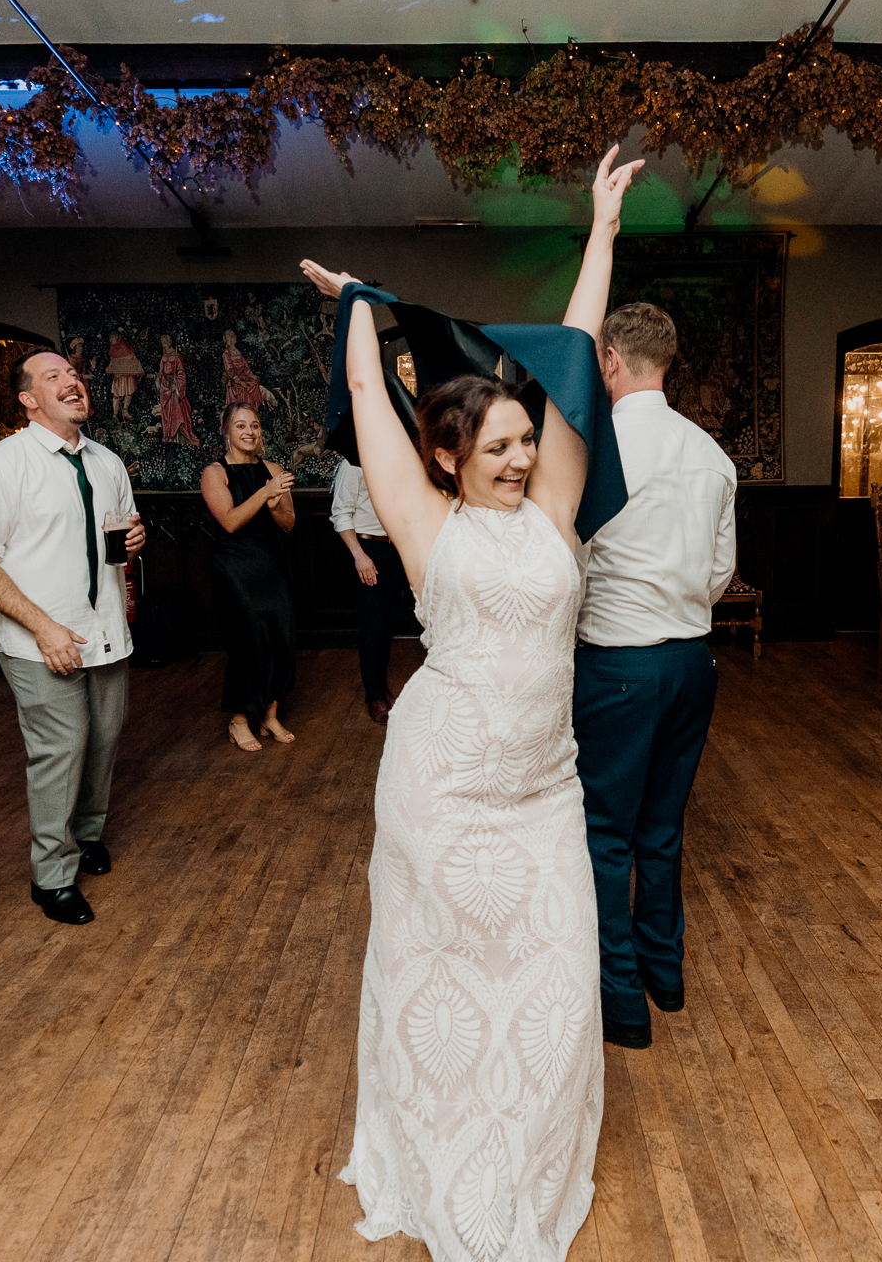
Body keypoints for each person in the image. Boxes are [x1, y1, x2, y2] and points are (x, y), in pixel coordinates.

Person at [299, 141, 640, 1262]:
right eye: (497, 444)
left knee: (553, 981)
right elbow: (364, 389)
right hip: (441, 790)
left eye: (527, 440)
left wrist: (600, 233)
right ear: (447, 454)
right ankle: (439, 1146)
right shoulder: (423, 522)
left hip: (542, 791)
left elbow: (579, 356)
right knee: (434, 982)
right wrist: (357, 304)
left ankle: (524, 1157)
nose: (521, 454)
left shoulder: (551, 512)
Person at [574, 301, 738, 1049]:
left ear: (609, 359)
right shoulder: (711, 453)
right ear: (664, 362)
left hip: (618, 665)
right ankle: (664, 976)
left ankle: (623, 1003)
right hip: (693, 662)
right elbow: (720, 574)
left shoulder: (590, 449)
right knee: (662, 831)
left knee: (605, 835)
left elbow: (567, 565)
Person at [0, 349, 145, 926]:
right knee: (60, 749)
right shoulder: (0, 465)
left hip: (104, 631)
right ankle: (53, 876)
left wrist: (133, 541)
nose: (73, 382)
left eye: (74, 374)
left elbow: (122, 532)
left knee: (104, 738)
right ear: (29, 399)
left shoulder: (108, 462)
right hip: (39, 638)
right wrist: (43, 627)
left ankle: (87, 836)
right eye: (54, 376)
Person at [201, 403, 298, 751]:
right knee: (250, 640)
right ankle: (240, 720)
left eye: (254, 425)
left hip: (269, 562)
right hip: (234, 567)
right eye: (240, 425)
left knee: (282, 635)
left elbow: (289, 524)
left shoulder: (272, 469)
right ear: (227, 432)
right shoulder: (215, 472)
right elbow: (229, 522)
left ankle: (269, 714)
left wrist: (277, 505)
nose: (249, 431)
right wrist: (265, 493)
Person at [330, 457, 409, 725]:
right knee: (373, 625)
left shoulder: (399, 459)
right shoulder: (351, 464)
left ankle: (382, 687)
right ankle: (374, 696)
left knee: (388, 623)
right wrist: (359, 556)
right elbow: (340, 513)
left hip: (394, 549)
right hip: (366, 550)